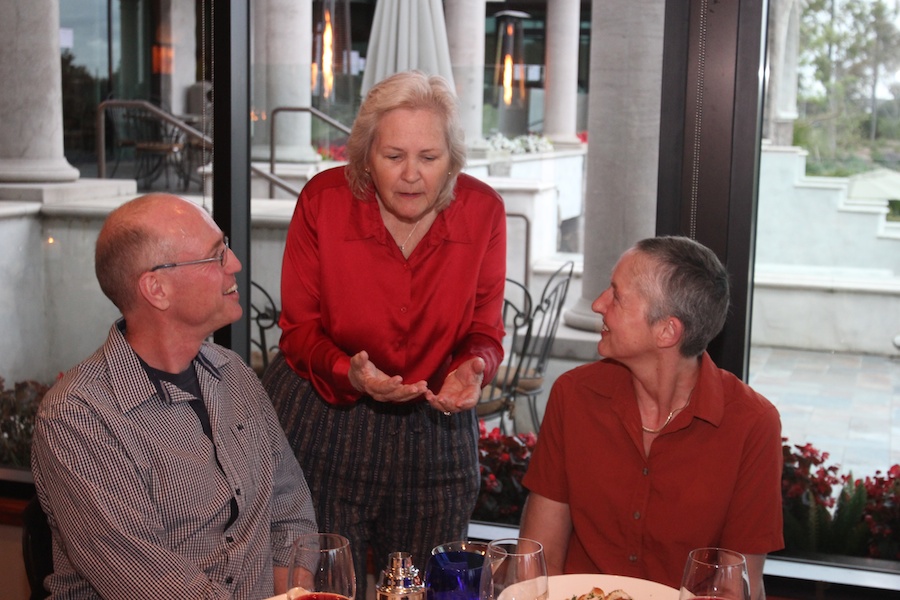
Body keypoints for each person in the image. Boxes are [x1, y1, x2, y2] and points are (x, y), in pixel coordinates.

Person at [262, 70, 506, 596]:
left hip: (435, 426)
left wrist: (476, 364)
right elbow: (299, 329)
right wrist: (346, 370)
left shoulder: (483, 211)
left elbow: (485, 328)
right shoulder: (323, 200)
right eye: (394, 157)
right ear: (365, 156)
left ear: (453, 159)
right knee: (324, 588)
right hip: (326, 421)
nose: (412, 175)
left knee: (429, 589)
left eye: (430, 157)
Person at [31, 193, 318, 599]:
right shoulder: (77, 417)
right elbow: (155, 587)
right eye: (215, 255)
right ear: (157, 289)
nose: (234, 264)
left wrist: (292, 593)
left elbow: (290, 512)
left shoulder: (232, 373)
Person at [519, 236, 783, 600]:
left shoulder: (752, 424)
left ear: (667, 331)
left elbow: (737, 585)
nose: (598, 304)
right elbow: (537, 558)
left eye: (616, 296)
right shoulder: (574, 395)